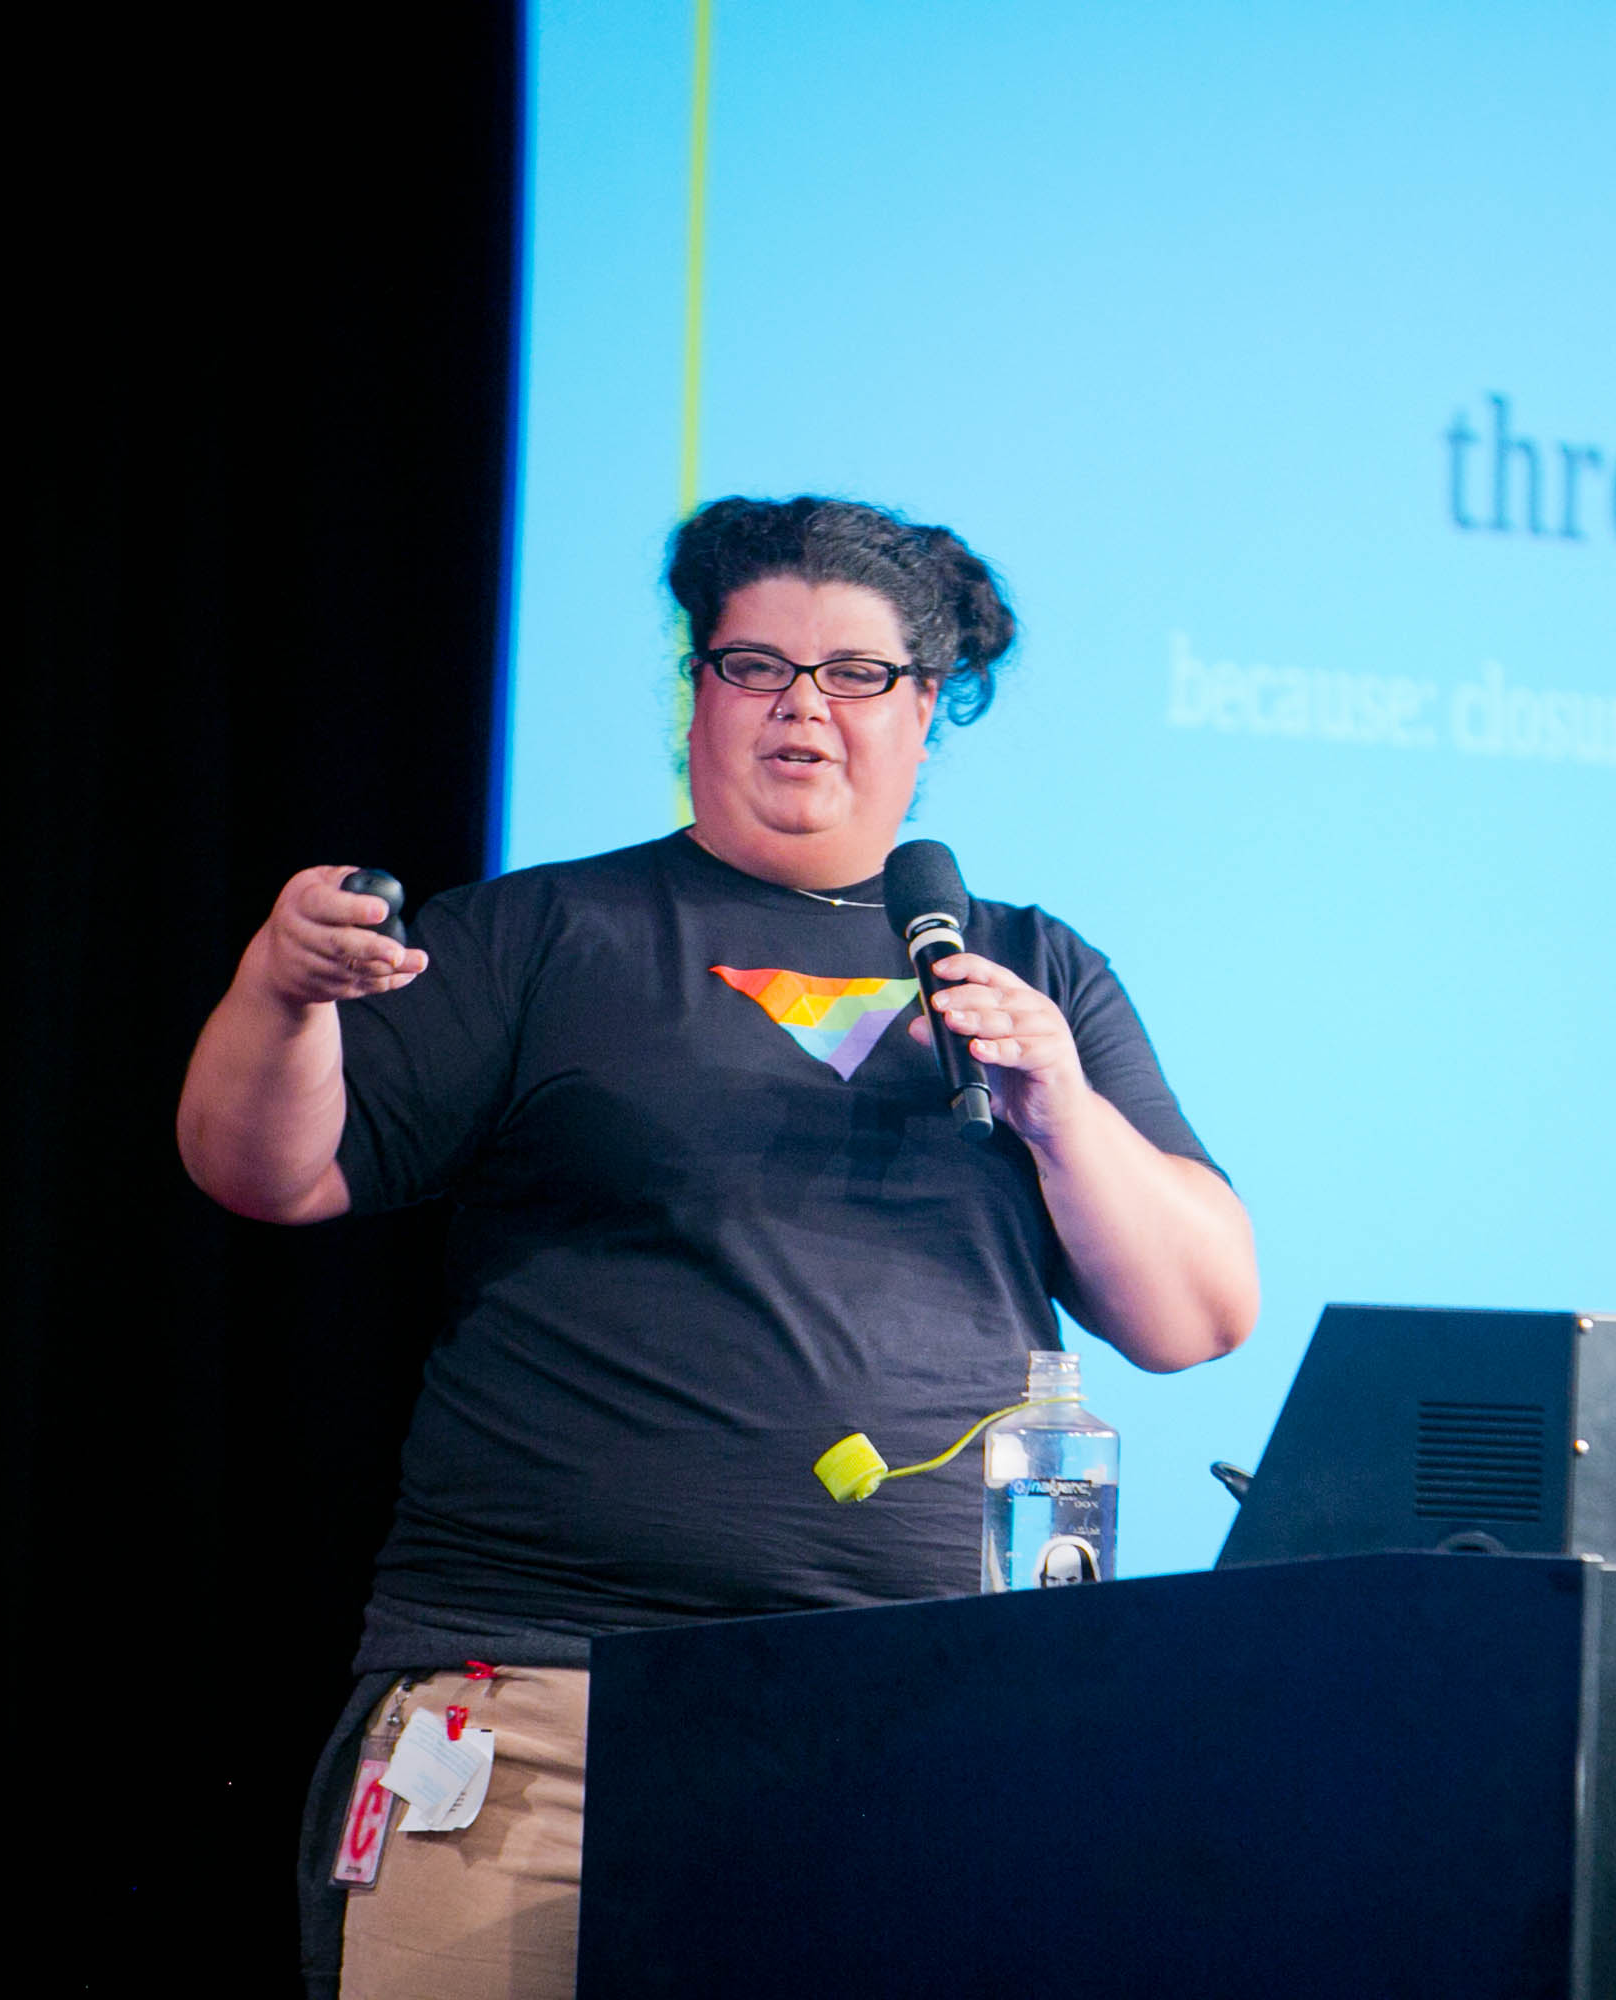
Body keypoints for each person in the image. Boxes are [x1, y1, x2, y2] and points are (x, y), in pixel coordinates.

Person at [178, 496, 1258, 2000]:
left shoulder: (1034, 970)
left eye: (855, 672)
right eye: (755, 665)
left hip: (929, 1724)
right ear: (698, 692)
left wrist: (1061, 1107)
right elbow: (266, 1173)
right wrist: (282, 991)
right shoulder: (548, 935)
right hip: (546, 1721)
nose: (802, 704)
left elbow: (1199, 1314)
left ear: (926, 709)